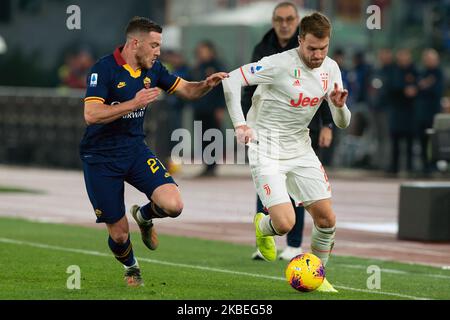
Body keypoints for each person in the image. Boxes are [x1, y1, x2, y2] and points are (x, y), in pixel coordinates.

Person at [80, 17, 228, 287]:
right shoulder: (104, 69)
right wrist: (132, 103)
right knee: (120, 235)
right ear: (135, 43)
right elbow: (91, 114)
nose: (158, 51)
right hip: (101, 157)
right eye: (154, 45)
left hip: (135, 149)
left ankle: (145, 216)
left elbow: (185, 89)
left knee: (174, 205)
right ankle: (132, 267)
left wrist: (207, 84)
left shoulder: (154, 69)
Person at [222, 12, 351, 292]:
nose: (318, 55)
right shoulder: (278, 64)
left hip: (301, 148)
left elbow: (343, 122)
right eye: (312, 48)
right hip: (265, 147)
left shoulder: (331, 69)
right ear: (300, 40)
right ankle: (263, 226)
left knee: (327, 220)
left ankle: (317, 275)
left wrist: (339, 107)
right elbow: (230, 80)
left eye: (323, 48)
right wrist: (240, 124)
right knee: (284, 224)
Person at [242, 2, 333, 261]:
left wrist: (327, 124)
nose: (284, 24)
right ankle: (266, 236)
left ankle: (294, 244)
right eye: (279, 19)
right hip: (266, 134)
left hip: (303, 129)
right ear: (273, 21)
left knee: (302, 190)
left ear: (297, 23)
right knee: (269, 188)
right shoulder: (263, 49)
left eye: (289, 19)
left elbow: (325, 89)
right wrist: (246, 123)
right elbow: (249, 87)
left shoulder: (310, 46)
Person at [190, 41, 227, 177]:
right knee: (202, 137)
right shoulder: (197, 67)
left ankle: (212, 166)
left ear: (211, 51)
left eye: (204, 51)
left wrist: (220, 108)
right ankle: (207, 165)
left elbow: (224, 89)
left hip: (213, 109)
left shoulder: (218, 67)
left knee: (213, 136)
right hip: (199, 108)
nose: (201, 54)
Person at [416, 48, 444, 174]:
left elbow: (436, 91)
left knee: (434, 140)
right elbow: (418, 89)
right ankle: (424, 165)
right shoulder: (422, 72)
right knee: (422, 140)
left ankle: (434, 165)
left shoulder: (439, 73)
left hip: (434, 112)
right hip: (421, 113)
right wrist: (426, 85)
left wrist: (425, 86)